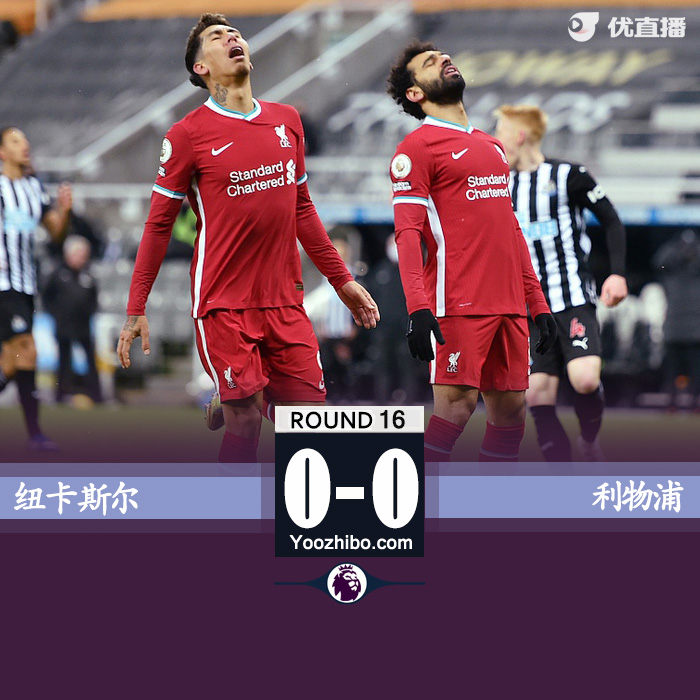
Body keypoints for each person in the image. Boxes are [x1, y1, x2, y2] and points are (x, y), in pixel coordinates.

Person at [117, 13, 379, 464]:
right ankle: (238, 425)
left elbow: (302, 209)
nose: (232, 38)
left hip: (285, 302)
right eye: (217, 37)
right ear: (201, 67)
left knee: (311, 426)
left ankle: (243, 397)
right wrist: (136, 307)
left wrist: (342, 280)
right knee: (246, 424)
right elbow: (158, 225)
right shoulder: (187, 136)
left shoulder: (287, 121)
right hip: (223, 304)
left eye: (235, 33)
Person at [386, 42, 556, 463]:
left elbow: (510, 230)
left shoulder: (492, 147)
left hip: (509, 304)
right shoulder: (416, 149)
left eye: (443, 56)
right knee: (456, 409)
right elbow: (407, 234)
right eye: (430, 63)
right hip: (458, 302)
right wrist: (418, 307)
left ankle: (488, 503)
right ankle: (414, 498)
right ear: (415, 93)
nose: (444, 60)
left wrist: (537, 303)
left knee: (511, 414)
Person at [493, 104, 628, 461]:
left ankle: (589, 440)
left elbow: (611, 219)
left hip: (572, 298)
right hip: (527, 307)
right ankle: (563, 474)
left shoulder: (569, 175)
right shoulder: (498, 184)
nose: (495, 140)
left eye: (500, 132)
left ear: (519, 136)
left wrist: (617, 273)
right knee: (537, 393)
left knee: (585, 379)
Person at [0, 125, 72, 450]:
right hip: (3, 285)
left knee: (16, 360)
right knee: (27, 350)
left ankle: (35, 434)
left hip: (26, 286)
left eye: (25, 140)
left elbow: (56, 232)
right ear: (2, 152)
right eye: (15, 142)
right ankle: (35, 434)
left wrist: (64, 211)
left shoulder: (33, 187)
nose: (24, 145)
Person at [43, 235, 103, 405]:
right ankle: (60, 395)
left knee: (90, 359)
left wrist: (90, 312)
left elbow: (94, 298)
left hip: (83, 324)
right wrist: (56, 314)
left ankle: (97, 395)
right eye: (77, 254)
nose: (80, 258)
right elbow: (47, 296)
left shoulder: (88, 274)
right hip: (63, 324)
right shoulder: (58, 273)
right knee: (64, 360)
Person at [652, 228, 700, 411]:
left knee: (696, 371)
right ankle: (671, 402)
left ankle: (696, 403)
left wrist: (695, 249)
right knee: (671, 371)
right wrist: (677, 247)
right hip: (674, 327)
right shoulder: (671, 272)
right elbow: (658, 262)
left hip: (696, 329)